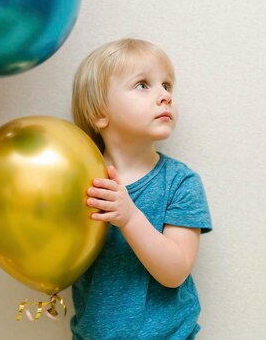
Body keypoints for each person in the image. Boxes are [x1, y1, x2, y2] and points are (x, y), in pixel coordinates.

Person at [70, 38, 212, 339]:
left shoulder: (180, 183)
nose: (164, 96)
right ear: (99, 112)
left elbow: (175, 272)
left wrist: (130, 217)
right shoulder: (75, 180)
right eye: (143, 85)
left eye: (167, 86)